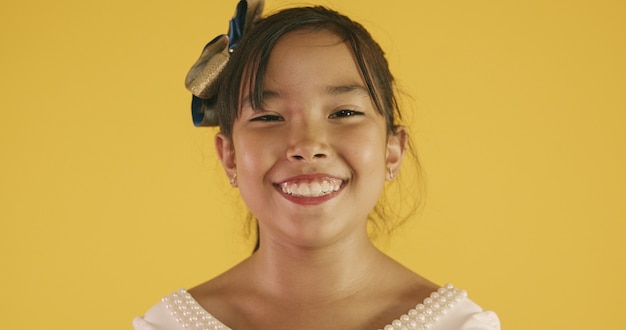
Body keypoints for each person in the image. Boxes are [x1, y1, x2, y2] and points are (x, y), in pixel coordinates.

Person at [133, 1, 500, 329]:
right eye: (268, 117)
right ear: (229, 156)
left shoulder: (459, 325)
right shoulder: (166, 326)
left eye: (343, 112)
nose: (308, 146)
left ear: (392, 150)